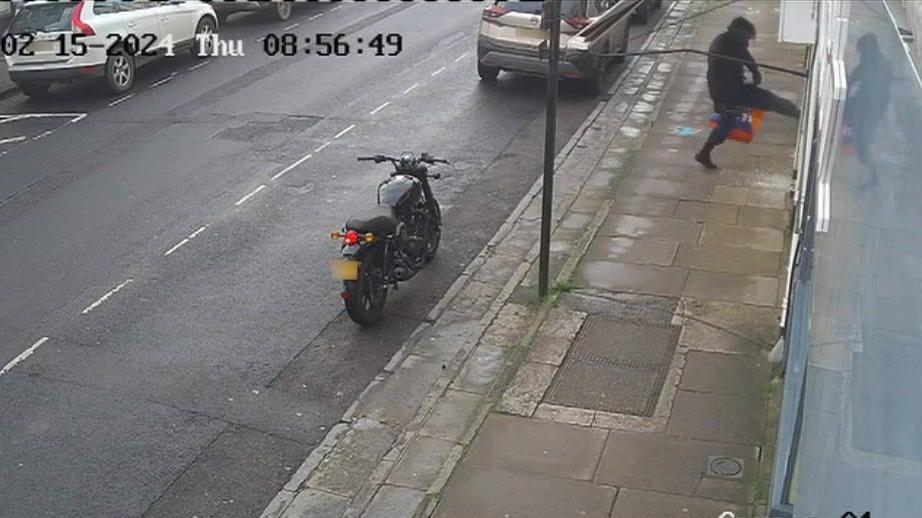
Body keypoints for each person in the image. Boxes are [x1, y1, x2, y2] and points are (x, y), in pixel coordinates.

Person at [695, 17, 801, 169]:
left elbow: (746, 58)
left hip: (724, 90)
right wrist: (751, 78)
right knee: (768, 99)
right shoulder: (727, 47)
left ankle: (704, 153)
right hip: (730, 92)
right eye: (748, 38)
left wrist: (755, 72)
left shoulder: (727, 40)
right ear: (742, 34)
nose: (748, 42)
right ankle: (798, 113)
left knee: (728, 121)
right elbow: (738, 60)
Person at [843, 32, 891, 184]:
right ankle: (852, 134)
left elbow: (877, 94)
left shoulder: (878, 66)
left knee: (863, 139)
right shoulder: (872, 60)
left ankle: (872, 174)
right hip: (865, 103)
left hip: (871, 107)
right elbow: (858, 73)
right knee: (851, 115)